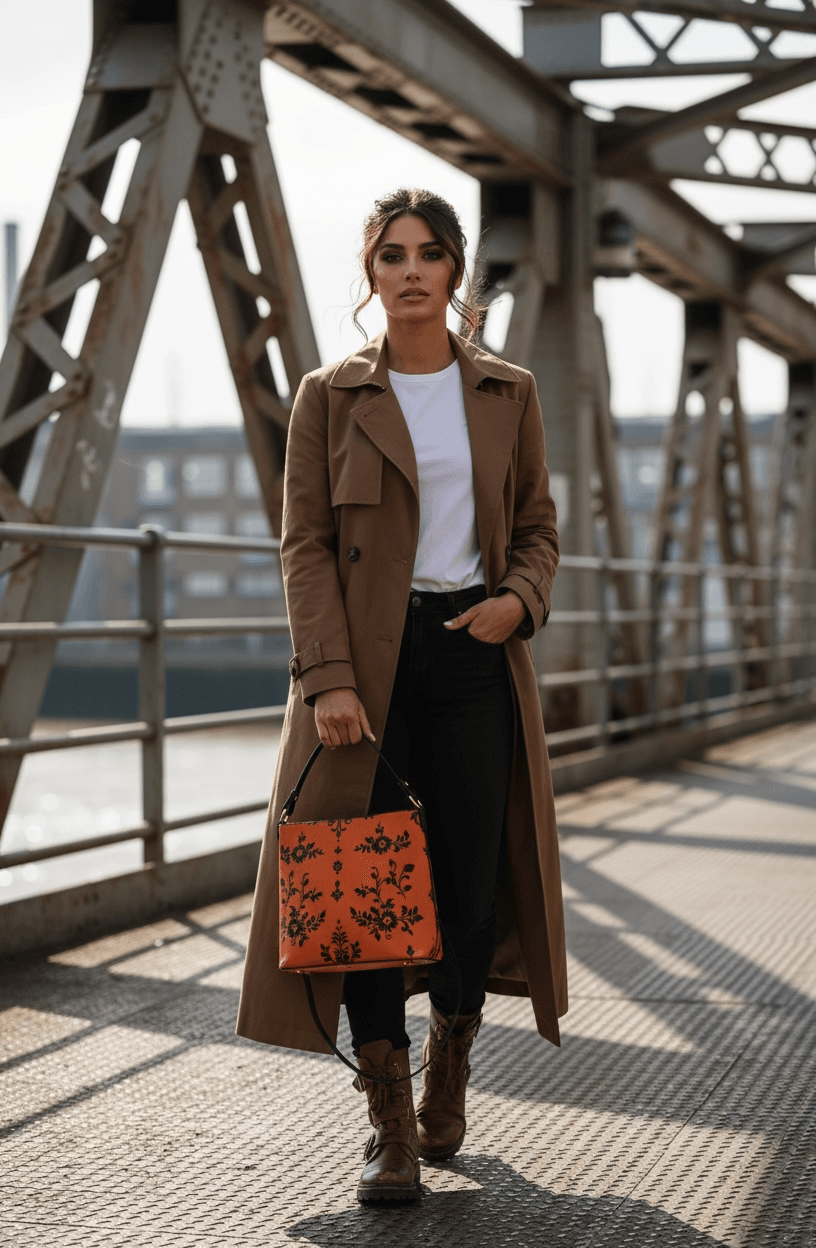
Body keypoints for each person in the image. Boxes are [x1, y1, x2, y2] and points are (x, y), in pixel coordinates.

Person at [236, 188, 567, 1204]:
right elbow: (305, 548)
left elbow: (538, 526)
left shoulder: (507, 392)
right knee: (366, 890)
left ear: (455, 272)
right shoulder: (329, 396)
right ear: (371, 274)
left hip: (475, 649)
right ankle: (387, 1124)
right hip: (367, 677)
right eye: (392, 255)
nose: (411, 270)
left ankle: (450, 1059)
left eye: (430, 254)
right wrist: (328, 678)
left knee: (469, 883)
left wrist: (518, 600)